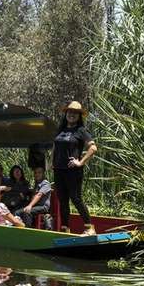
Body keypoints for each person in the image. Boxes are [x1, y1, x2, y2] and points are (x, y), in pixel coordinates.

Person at [52, 101, 98, 236]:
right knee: (62, 200)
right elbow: (55, 146)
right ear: (66, 113)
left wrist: (81, 162)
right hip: (59, 170)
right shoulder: (61, 130)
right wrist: (51, 162)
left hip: (73, 171)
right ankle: (66, 229)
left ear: (79, 116)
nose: (72, 114)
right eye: (70, 112)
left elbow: (93, 148)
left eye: (75, 113)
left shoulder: (81, 131)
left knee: (76, 198)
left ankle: (90, 228)